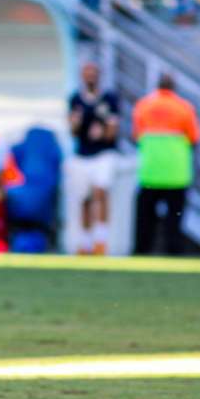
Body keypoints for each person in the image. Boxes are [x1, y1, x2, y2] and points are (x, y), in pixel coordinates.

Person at [131, 73, 200, 255]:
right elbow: (194, 138)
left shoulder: (143, 106)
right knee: (174, 220)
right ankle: (173, 254)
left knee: (145, 220)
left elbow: (137, 136)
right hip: (177, 175)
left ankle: (142, 252)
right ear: (174, 87)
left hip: (150, 173)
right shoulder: (185, 108)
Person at [68, 62, 119, 255]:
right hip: (83, 155)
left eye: (93, 72)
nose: (90, 76)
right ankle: (85, 242)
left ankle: (101, 240)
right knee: (84, 198)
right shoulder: (76, 99)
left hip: (103, 154)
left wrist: (103, 132)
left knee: (101, 192)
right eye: (86, 72)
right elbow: (72, 131)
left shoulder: (109, 98)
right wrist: (76, 123)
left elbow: (113, 130)